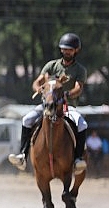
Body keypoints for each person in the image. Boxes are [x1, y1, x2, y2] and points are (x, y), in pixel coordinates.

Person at [8, 32, 88, 173]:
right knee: (27, 119)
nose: (67, 52)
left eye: (70, 49)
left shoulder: (80, 70)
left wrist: (66, 94)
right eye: (64, 49)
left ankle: (77, 159)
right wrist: (39, 89)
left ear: (76, 50)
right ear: (61, 50)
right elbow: (37, 81)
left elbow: (78, 88)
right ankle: (22, 155)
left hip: (67, 106)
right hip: (47, 104)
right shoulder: (51, 65)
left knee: (82, 124)